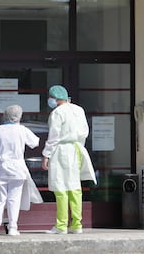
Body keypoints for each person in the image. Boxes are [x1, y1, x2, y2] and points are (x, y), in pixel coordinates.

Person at [42, 85, 97, 235]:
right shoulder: (79, 110)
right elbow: (85, 131)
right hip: (77, 149)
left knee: (60, 188)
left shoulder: (57, 113)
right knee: (75, 188)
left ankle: (61, 225)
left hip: (61, 150)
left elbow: (53, 137)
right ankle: (77, 224)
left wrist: (46, 155)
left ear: (54, 98)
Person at [0, 105, 43, 236]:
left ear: (5, 115)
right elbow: (35, 143)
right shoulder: (22, 130)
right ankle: (13, 227)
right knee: (14, 199)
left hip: (0, 168)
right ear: (19, 116)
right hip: (17, 168)